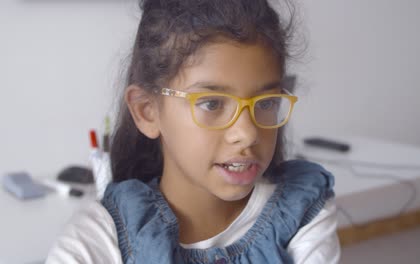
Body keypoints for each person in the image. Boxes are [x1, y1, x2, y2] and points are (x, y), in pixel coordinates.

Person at [46, 0, 340, 263]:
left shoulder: (302, 211)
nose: (247, 133)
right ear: (147, 111)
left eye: (267, 102)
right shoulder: (96, 241)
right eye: (212, 103)